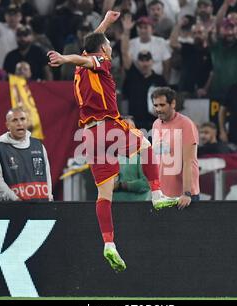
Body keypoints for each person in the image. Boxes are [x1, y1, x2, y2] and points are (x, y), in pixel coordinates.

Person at [47, 11, 178, 273]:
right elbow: (89, 52)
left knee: (104, 194)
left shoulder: (81, 67)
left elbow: (89, 46)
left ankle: (109, 243)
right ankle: (157, 194)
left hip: (89, 136)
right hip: (108, 125)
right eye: (108, 45)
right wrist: (62, 57)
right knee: (146, 145)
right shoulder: (101, 62)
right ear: (103, 51)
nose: (110, 49)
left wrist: (106, 22)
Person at [0, 107, 53, 202]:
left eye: (22, 119)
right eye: (14, 120)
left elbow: (47, 175)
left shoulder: (38, 146)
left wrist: (49, 197)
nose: (20, 123)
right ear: (7, 125)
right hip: (13, 209)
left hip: (41, 207)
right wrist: (15, 199)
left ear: (27, 122)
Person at [151, 87, 200, 206]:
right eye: (156, 105)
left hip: (184, 195)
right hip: (162, 194)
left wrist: (187, 193)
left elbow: (188, 162)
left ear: (173, 103)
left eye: (162, 105)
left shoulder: (186, 124)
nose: (158, 109)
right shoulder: (156, 124)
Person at [113, 117, 151, 201]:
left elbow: (146, 184)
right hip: (114, 207)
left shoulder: (141, 156)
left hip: (136, 208)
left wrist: (122, 186)